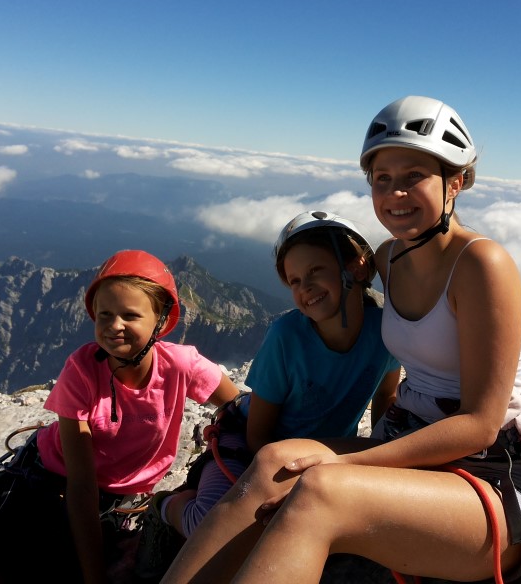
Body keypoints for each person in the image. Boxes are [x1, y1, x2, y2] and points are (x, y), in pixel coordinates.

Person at [159, 96, 521, 584]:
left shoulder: (482, 264)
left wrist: (345, 460)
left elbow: (480, 425)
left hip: (495, 469)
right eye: (382, 179)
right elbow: (349, 281)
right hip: (413, 441)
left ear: (456, 182)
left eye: (413, 177)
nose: (394, 194)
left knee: (319, 489)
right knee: (273, 461)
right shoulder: (390, 257)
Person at [0, 249, 238, 584]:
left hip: (111, 504)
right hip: (45, 483)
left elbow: (239, 408)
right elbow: (81, 486)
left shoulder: (182, 365)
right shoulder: (81, 371)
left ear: (160, 320)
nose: (114, 326)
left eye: (130, 315)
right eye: (104, 314)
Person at [155, 211, 401, 543]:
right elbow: (258, 437)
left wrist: (378, 457)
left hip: (324, 455)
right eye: (295, 281)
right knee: (210, 528)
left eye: (315, 271)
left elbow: (386, 396)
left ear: (356, 267)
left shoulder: (385, 332)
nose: (305, 288)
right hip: (248, 444)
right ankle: (167, 505)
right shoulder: (286, 337)